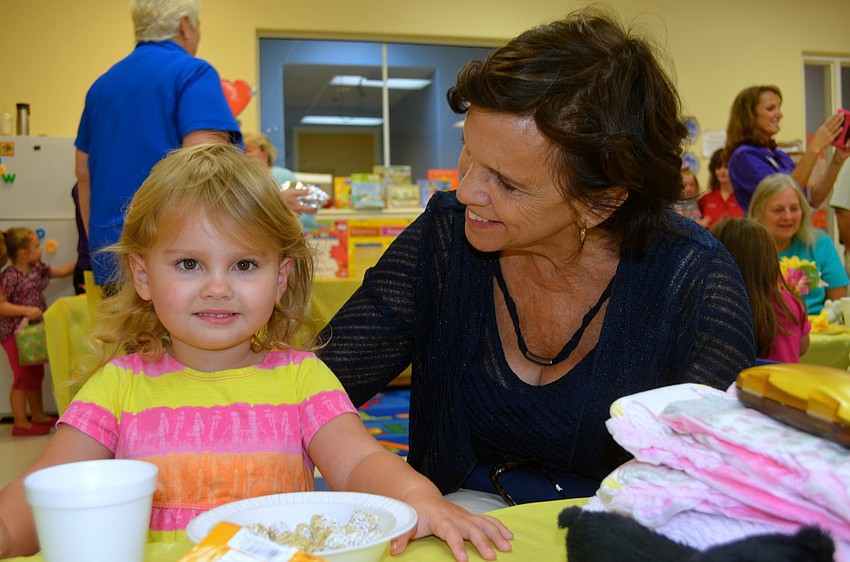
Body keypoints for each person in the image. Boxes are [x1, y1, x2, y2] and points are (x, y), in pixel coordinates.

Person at [317, 9, 756, 514]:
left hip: (613, 533)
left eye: (507, 183)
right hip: (452, 526)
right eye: (467, 152)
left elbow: (716, 482)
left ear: (602, 200)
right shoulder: (445, 238)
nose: (466, 192)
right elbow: (317, 389)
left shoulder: (693, 281)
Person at [0, 144, 511, 561]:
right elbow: (45, 495)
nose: (218, 288)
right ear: (142, 276)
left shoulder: (301, 378)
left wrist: (420, 497)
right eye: (188, 264)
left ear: (281, 277)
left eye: (244, 266)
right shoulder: (118, 386)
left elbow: (358, 463)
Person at [75, 0, 241, 286]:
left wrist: (102, 247)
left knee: (127, 332)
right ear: (185, 25)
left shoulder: (101, 86)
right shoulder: (192, 73)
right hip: (174, 262)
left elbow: (83, 176)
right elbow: (207, 167)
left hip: (112, 259)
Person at [724, 85, 849, 213]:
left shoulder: (780, 156)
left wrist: (836, 161)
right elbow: (785, 196)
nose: (779, 115)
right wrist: (814, 147)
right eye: (771, 108)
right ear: (749, 115)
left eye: (779, 108)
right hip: (764, 232)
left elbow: (814, 198)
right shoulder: (744, 156)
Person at [0, 228, 74, 436]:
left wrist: (84, 258)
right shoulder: (9, 276)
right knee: (22, 376)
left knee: (36, 373)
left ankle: (39, 416)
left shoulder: (37, 268)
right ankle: (20, 423)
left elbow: (60, 271)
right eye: (36, 246)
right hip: (13, 334)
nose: (40, 249)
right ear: (23, 253)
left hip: (32, 335)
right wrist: (26, 310)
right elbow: (1, 305)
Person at [711, 218, 810, 363]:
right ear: (771, 261)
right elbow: (803, 347)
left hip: (741, 385)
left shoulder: (719, 309)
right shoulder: (791, 303)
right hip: (787, 384)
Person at [748, 173, 848, 314]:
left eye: (794, 209)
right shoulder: (746, 251)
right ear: (758, 213)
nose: (788, 217)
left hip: (818, 330)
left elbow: (841, 307)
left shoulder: (821, 244)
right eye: (778, 210)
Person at [243, 131, 318, 220]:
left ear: (264, 150)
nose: (245, 155)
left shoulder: (284, 176)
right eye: (242, 151)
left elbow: (305, 215)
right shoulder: (243, 179)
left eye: (248, 150)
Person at [698, 148, 743, 228]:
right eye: (718, 167)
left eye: (726, 167)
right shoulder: (705, 199)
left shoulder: (744, 199)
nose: (722, 171)